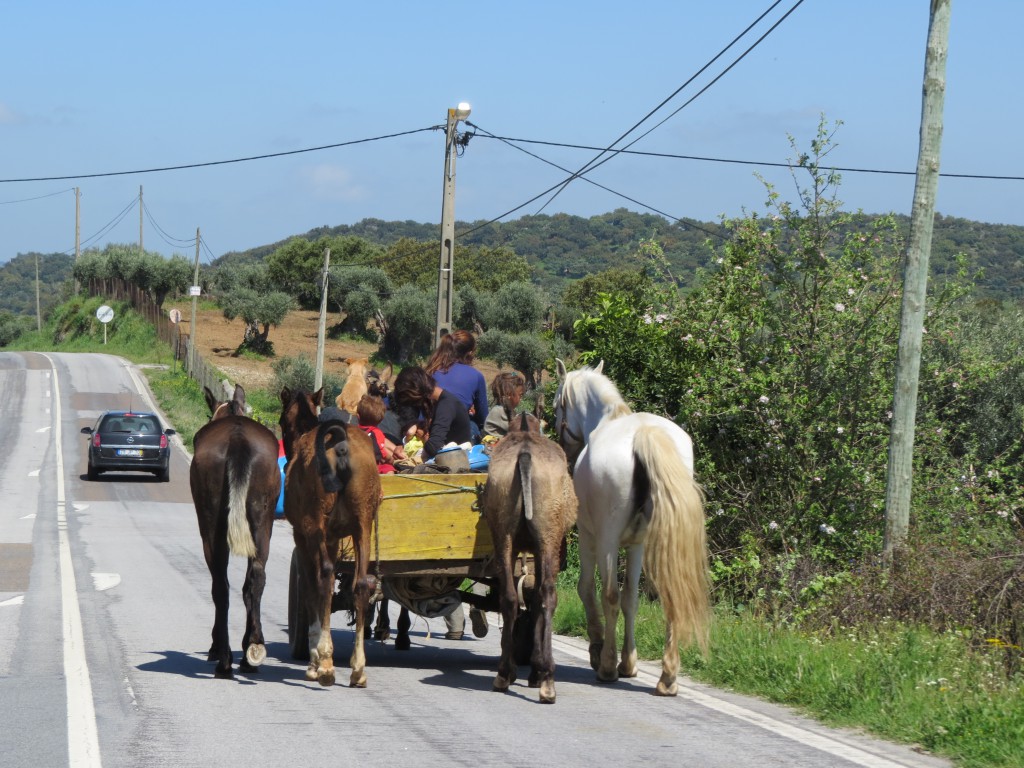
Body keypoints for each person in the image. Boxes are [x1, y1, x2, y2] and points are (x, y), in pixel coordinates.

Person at [391, 365, 487, 640]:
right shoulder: (444, 403)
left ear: (417, 391)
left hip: (450, 481)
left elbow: (435, 447)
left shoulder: (446, 404)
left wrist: (412, 454)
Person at [391, 366, 471, 460]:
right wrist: (402, 446)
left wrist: (424, 437)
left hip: (456, 461)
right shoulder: (435, 403)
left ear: (415, 395)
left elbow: (434, 447)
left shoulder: (446, 406)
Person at [425, 330, 488, 443]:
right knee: (473, 425)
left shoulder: (432, 370)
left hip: (431, 426)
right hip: (455, 431)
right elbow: (483, 417)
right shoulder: (476, 376)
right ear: (469, 353)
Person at [355, 394, 405, 474]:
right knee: (389, 469)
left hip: (358, 465)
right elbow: (379, 452)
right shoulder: (376, 433)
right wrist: (390, 459)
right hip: (373, 465)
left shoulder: (354, 431)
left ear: (358, 416)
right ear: (381, 420)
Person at [483, 371, 526, 440]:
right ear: (509, 394)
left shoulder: (505, 411)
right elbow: (519, 430)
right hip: (494, 448)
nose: (521, 399)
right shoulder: (499, 411)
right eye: (520, 395)